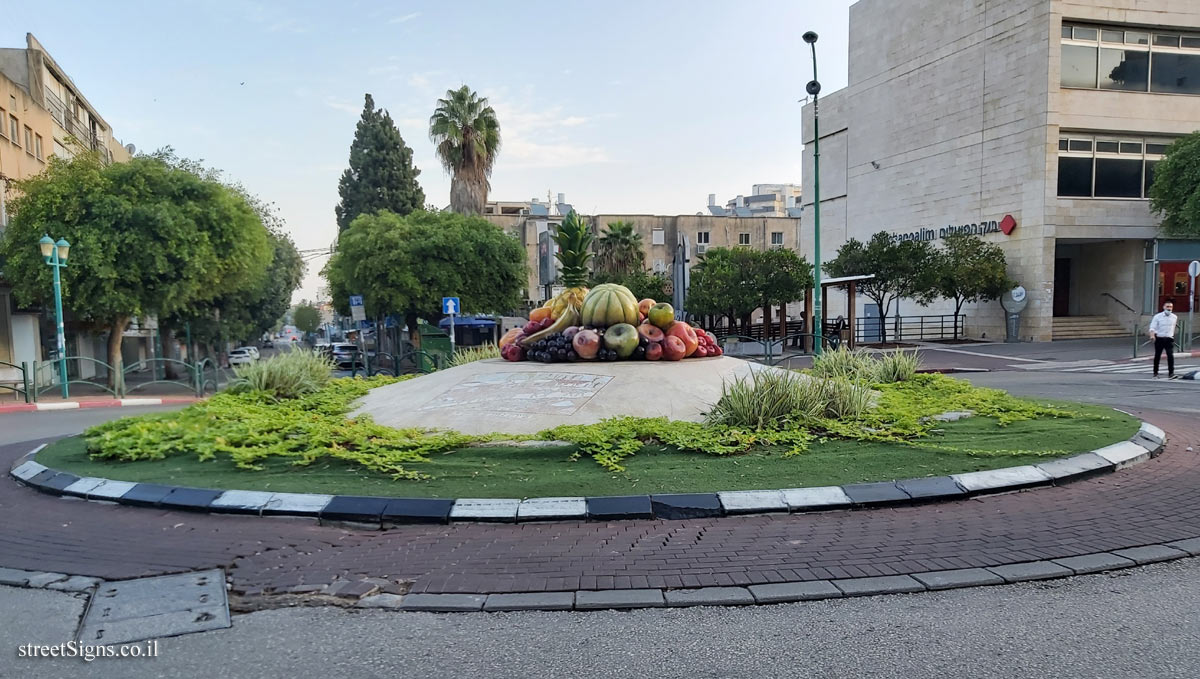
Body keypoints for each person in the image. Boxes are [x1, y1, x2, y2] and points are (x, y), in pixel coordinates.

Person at [1148, 299, 1179, 379]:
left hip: (1169, 338)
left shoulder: (1174, 317)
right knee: (1157, 355)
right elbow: (1152, 327)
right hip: (1159, 338)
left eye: (1171, 307)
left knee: (1170, 355)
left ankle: (1171, 373)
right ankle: (1155, 373)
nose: (1169, 308)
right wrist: (1152, 335)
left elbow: (1174, 327)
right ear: (1164, 307)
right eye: (1167, 306)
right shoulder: (1157, 316)